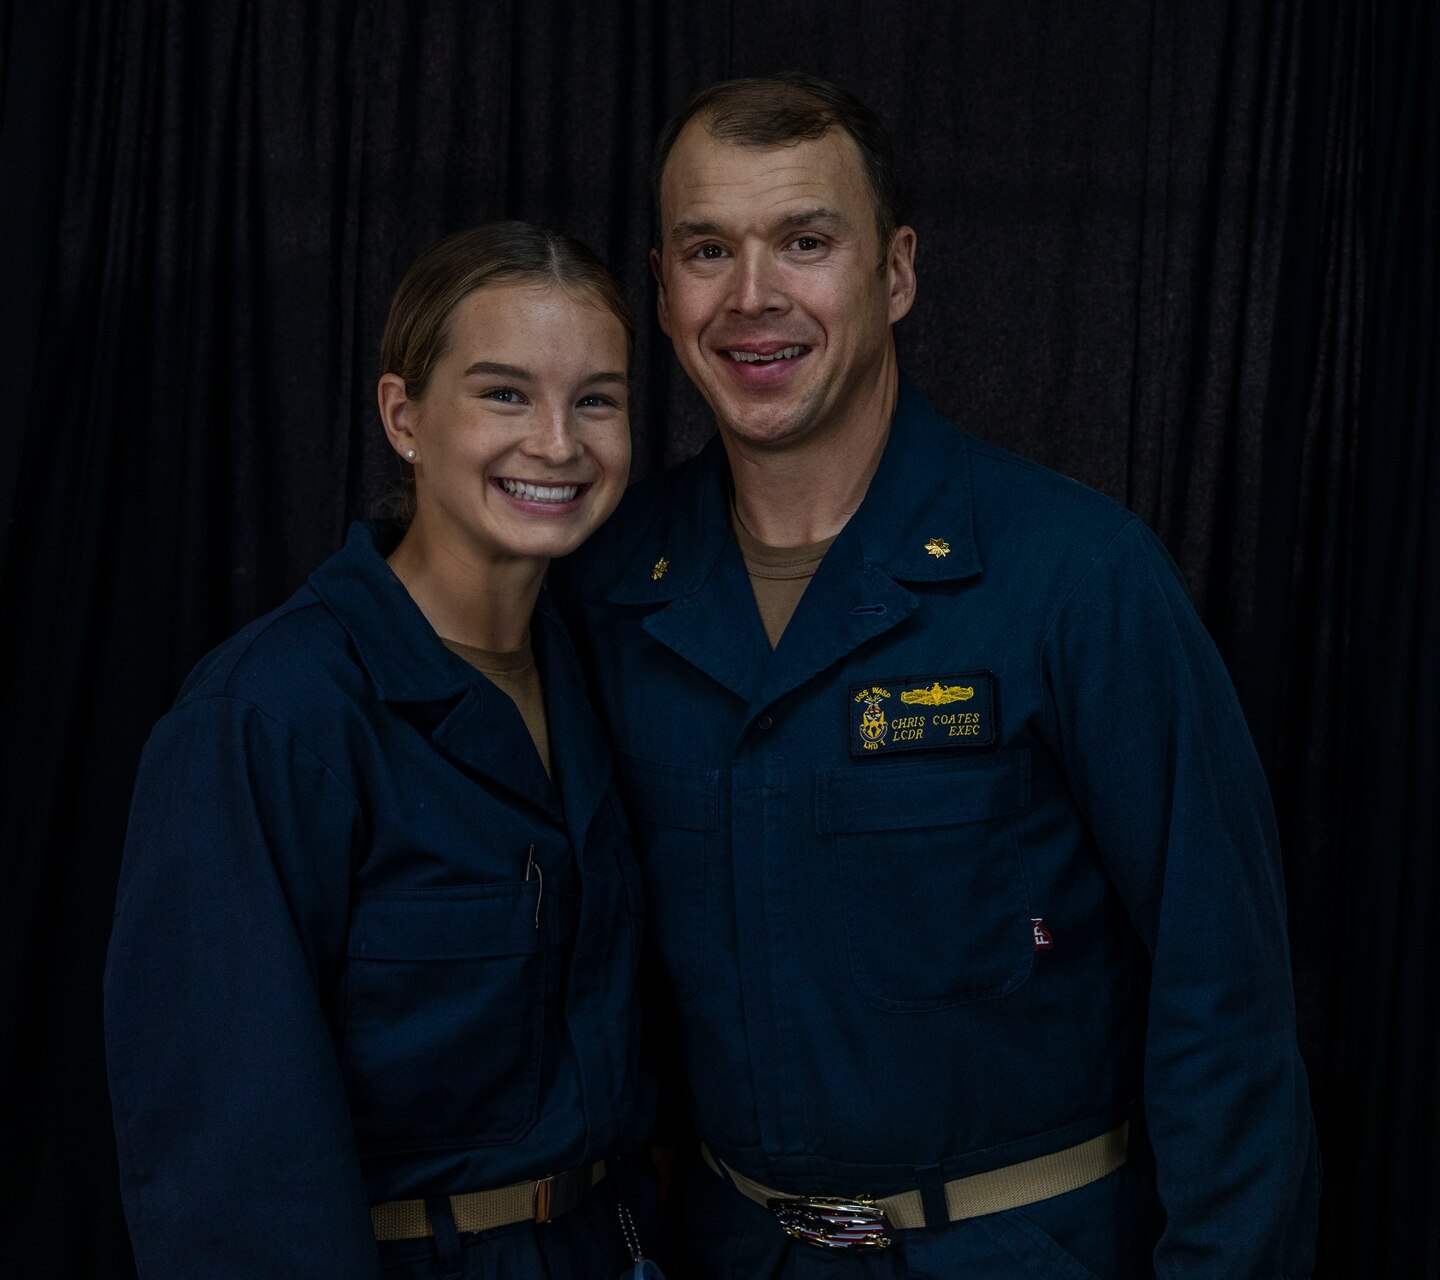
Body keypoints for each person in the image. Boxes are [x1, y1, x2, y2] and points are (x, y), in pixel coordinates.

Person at [551, 74, 1320, 1278]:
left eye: (805, 241)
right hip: (733, 1250)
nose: (753, 297)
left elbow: (1224, 997)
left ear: (895, 272)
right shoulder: (608, 594)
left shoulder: (1076, 577)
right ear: (662, 289)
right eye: (709, 249)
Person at [105, 222, 659, 1279]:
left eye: (596, 398)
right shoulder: (268, 716)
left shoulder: (602, 674)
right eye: (504, 393)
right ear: (404, 416)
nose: (557, 441)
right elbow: (229, 1160)